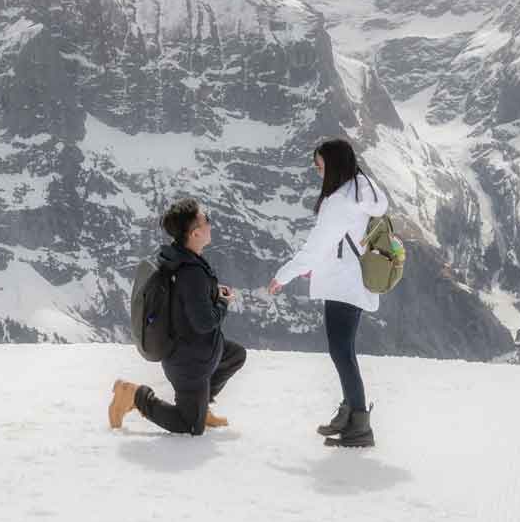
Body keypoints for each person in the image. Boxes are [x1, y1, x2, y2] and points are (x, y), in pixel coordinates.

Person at [269, 137, 389, 449]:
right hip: (350, 279)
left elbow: (315, 248)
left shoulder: (339, 202)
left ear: (334, 165)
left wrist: (283, 276)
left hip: (342, 285)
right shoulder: (361, 189)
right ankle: (350, 414)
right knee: (343, 351)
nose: (318, 172)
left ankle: (359, 424)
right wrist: (318, 266)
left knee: (341, 352)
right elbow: (340, 242)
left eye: (320, 166)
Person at [109, 198, 248, 435]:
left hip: (200, 349)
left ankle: (201, 406)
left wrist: (212, 293)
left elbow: (183, 298)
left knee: (235, 355)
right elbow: (204, 323)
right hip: (189, 361)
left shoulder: (180, 257)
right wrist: (223, 303)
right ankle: (133, 395)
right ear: (194, 233)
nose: (211, 225)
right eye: (207, 221)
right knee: (189, 426)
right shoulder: (191, 271)